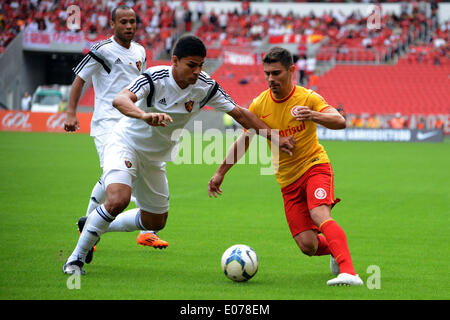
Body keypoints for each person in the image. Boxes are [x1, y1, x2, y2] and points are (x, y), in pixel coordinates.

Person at [62, 35, 295, 275]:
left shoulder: (205, 87)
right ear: (175, 61)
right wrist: (144, 116)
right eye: (191, 65)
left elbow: (242, 115)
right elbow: (120, 99)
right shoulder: (155, 77)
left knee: (155, 222)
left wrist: (276, 138)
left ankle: (93, 225)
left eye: (201, 65)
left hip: (154, 160)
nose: (197, 71)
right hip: (124, 144)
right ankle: (75, 260)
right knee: (118, 199)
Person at [207, 47, 363, 286]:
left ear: (291, 71)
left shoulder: (307, 97)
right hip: (287, 182)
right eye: (267, 73)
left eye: (276, 73)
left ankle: (350, 273)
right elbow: (243, 141)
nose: (271, 79)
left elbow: (340, 121)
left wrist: (312, 115)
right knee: (307, 245)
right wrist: (220, 172)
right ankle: (334, 248)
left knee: (319, 213)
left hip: (314, 166)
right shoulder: (259, 104)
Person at [64, 5, 169, 252]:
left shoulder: (141, 51)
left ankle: (89, 224)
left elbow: (142, 86)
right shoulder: (101, 50)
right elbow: (80, 80)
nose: (129, 26)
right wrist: (71, 113)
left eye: (132, 21)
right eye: (123, 22)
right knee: (122, 178)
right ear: (112, 24)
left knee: (118, 176)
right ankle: (143, 231)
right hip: (107, 124)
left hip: (131, 122)